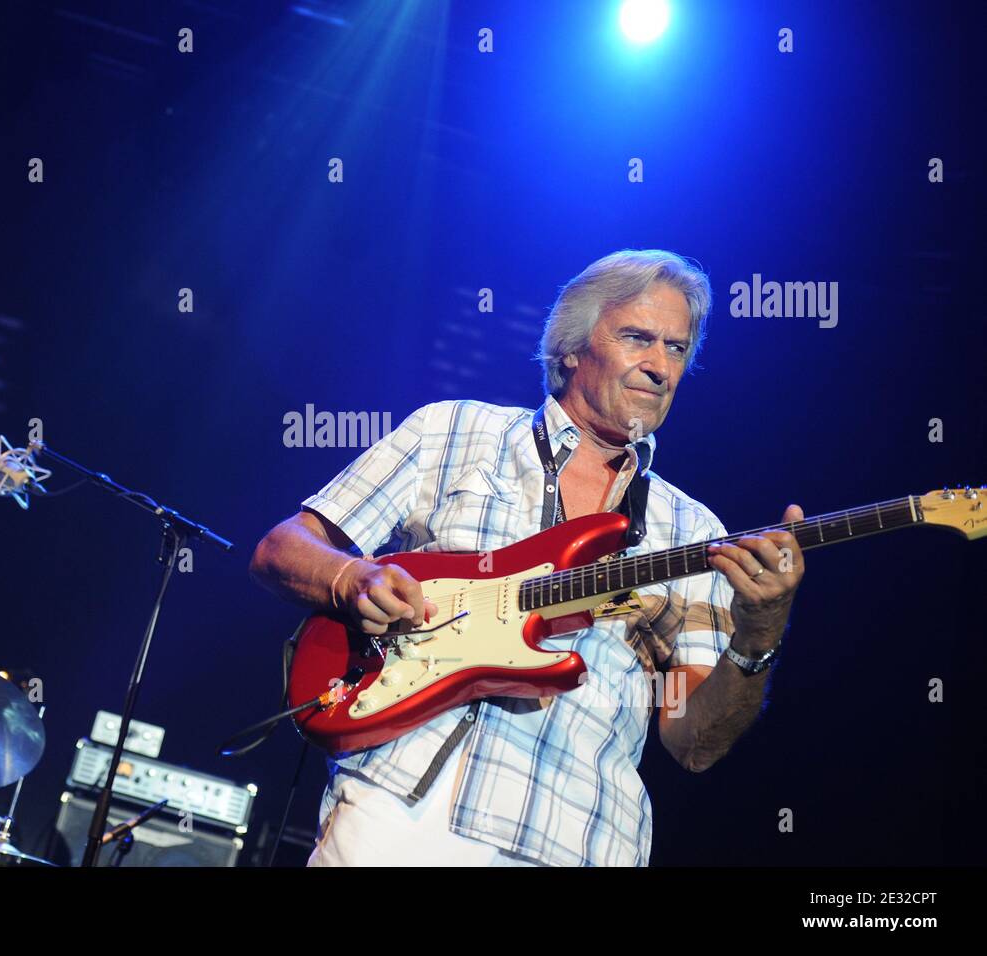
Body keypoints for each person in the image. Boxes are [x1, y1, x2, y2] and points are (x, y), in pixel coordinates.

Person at [250, 249, 805, 866]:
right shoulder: (453, 432)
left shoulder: (695, 531)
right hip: (404, 810)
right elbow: (283, 548)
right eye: (637, 338)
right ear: (571, 347)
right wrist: (353, 577)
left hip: (580, 839)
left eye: (676, 349)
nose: (660, 367)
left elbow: (696, 742)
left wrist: (759, 634)